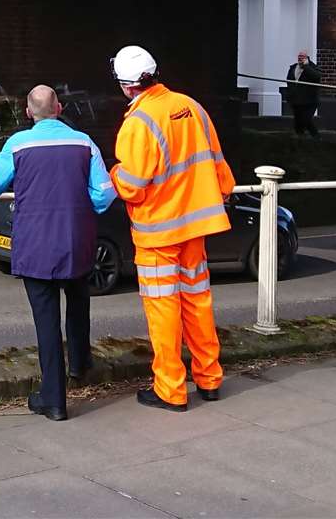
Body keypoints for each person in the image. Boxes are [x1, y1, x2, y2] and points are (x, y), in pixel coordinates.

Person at [0, 84, 116, 422]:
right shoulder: (84, 143)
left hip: (36, 245)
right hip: (77, 240)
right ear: (59, 108)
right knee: (79, 302)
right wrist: (82, 207)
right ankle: (80, 363)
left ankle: (53, 399)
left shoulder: (18, 144)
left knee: (46, 321)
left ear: (28, 113)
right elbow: (105, 194)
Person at [108, 45, 235, 412]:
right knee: (197, 300)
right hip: (196, 225)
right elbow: (218, 164)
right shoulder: (191, 106)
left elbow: (131, 183)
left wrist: (113, 172)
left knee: (163, 308)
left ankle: (170, 388)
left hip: (158, 231)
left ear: (127, 86)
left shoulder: (139, 122)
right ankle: (209, 377)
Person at [285, 51, 322, 138]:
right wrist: (290, 93)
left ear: (306, 57)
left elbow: (317, 77)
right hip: (296, 100)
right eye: (299, 56)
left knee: (306, 119)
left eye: (302, 56)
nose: (300, 58)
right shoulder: (293, 67)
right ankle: (300, 138)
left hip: (309, 101)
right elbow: (289, 80)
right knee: (298, 122)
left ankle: (316, 137)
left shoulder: (312, 67)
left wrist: (306, 66)